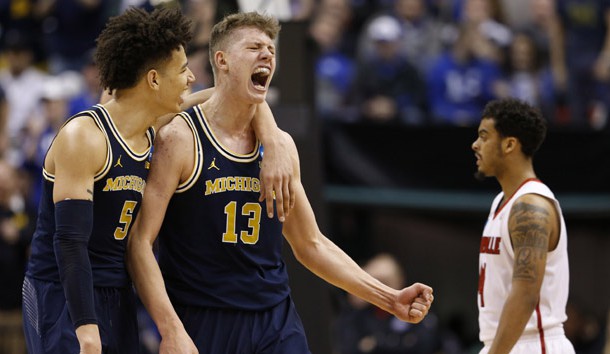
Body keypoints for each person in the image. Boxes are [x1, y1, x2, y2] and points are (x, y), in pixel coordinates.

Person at [127, 11, 434, 354]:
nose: (267, 55)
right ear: (222, 60)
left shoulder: (282, 145)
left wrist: (389, 297)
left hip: (274, 319)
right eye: (254, 47)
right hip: (204, 317)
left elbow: (311, 244)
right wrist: (170, 328)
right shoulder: (180, 139)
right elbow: (140, 242)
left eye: (271, 50)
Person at [22, 7, 293, 354]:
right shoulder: (85, 136)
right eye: (181, 70)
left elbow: (227, 95)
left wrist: (271, 141)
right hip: (63, 289)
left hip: (116, 289)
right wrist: (86, 329)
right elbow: (70, 244)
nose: (191, 79)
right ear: (153, 80)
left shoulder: (149, 129)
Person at [472, 98, 575, 354]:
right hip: (505, 343)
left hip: (534, 344)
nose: (475, 145)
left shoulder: (531, 206)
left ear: (509, 144)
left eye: (484, 137)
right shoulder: (501, 201)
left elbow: (526, 294)